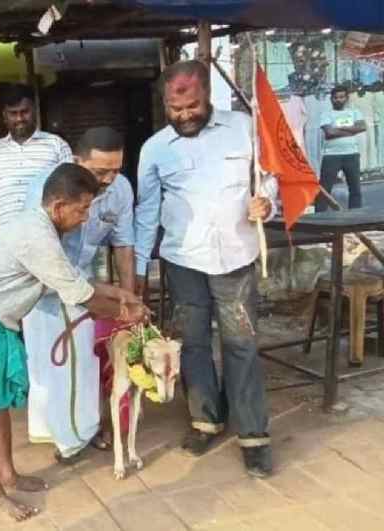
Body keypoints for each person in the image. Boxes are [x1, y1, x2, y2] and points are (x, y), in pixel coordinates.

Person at [0, 163, 145, 522]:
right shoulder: (38, 235)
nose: (85, 218)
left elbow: (71, 279)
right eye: (82, 209)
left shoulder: (42, 227)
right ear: (59, 206)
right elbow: (80, 295)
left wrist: (121, 293)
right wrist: (129, 314)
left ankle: (7, 475)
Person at [134, 60, 278, 478]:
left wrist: (265, 202)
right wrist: (141, 268)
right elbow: (146, 213)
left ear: (207, 95)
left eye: (192, 106)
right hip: (182, 261)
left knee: (241, 344)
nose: (183, 116)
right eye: (174, 108)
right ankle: (205, 419)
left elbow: (267, 177)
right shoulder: (156, 148)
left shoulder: (243, 127)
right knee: (192, 344)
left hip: (236, 256)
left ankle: (253, 435)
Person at [22, 127, 136, 462]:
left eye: (116, 169)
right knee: (48, 362)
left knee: (82, 360)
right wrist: (99, 298)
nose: (109, 179)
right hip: (41, 284)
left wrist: (127, 297)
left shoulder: (120, 189)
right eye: (100, 171)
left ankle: (80, 431)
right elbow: (41, 249)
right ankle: (57, 434)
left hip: (82, 281)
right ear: (76, 160)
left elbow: (123, 243)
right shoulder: (47, 185)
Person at [0, 84, 73, 228]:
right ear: (4, 115)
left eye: (24, 112)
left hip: (46, 234)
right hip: (7, 238)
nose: (19, 119)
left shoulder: (57, 144)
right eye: (13, 113)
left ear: (34, 110)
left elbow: (70, 189)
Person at [316, 85, 367, 211]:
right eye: (335, 98)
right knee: (324, 188)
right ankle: (320, 216)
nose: (338, 100)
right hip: (331, 155)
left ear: (346, 98)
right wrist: (352, 131)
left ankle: (355, 216)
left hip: (352, 154)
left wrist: (339, 129)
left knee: (355, 188)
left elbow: (362, 127)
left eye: (341, 97)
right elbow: (330, 133)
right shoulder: (326, 114)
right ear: (331, 99)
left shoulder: (355, 112)